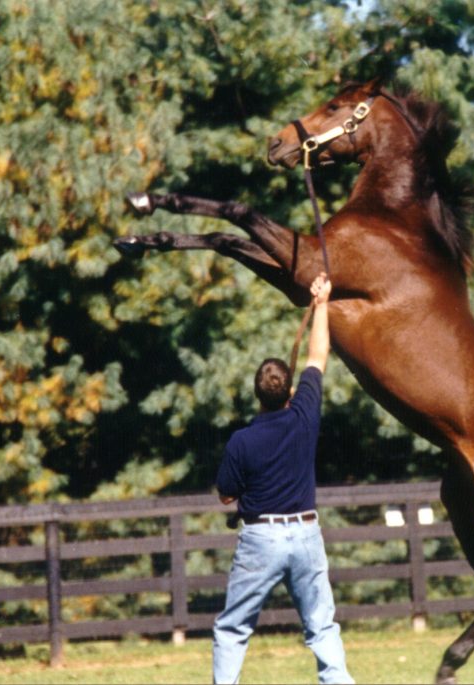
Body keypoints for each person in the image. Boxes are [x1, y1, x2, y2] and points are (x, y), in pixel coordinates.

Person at [212, 273, 353, 684]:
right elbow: (317, 355)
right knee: (321, 627)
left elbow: (225, 497)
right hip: (307, 534)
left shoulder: (242, 441)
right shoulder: (305, 414)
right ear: (289, 389)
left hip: (261, 540)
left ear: (257, 394)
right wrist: (321, 302)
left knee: (232, 628)